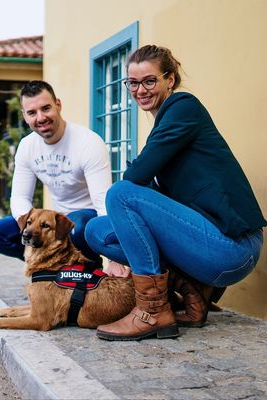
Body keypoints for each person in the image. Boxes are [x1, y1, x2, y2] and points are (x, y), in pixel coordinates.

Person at [85, 45, 266, 341]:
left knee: (120, 194)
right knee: (96, 231)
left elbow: (135, 177)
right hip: (206, 247)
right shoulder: (167, 121)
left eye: (149, 81)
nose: (140, 90)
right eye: (133, 82)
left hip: (234, 248)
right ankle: (193, 293)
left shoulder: (183, 107)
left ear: (170, 79)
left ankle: (152, 311)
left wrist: (138, 184)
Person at [0, 80, 112, 267]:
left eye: (46, 108)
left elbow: (103, 203)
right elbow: (20, 197)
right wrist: (28, 230)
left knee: (78, 226)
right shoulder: (27, 146)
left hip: (87, 218)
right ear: (24, 116)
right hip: (55, 219)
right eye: (32, 113)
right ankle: (46, 263)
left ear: (58, 105)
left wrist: (113, 256)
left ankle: (88, 268)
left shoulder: (88, 143)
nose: (41, 117)